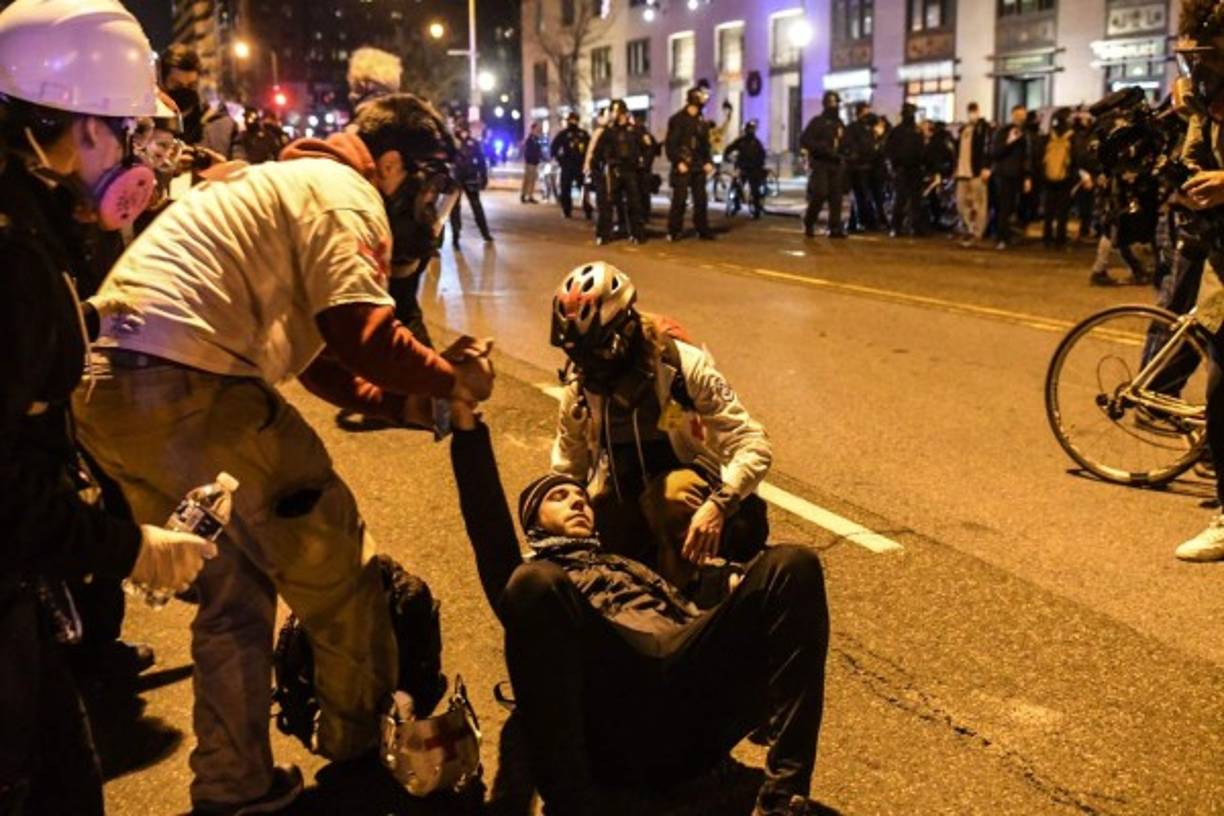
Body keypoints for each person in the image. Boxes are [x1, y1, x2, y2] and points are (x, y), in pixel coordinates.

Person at [72, 93, 496, 814]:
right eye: (421, 180)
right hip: (187, 379)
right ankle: (363, 753)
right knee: (335, 562)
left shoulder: (283, 184)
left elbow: (323, 363)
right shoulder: (345, 193)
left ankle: (233, 789)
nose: (424, 199)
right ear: (390, 163)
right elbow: (362, 331)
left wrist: (405, 403)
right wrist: (454, 377)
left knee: (231, 593)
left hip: (110, 391)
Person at [0, 2, 217, 813]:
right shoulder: (15, 257)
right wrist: (128, 548)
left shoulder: (32, 227)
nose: (144, 158)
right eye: (131, 133)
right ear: (83, 127)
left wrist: (89, 319)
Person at [448, 400, 830, 816]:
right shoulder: (539, 583)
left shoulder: (627, 564)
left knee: (794, 565)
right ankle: (573, 806)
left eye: (580, 496)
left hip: (689, 703)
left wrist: (737, 598)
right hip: (620, 709)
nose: (577, 502)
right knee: (532, 584)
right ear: (534, 524)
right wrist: (466, 421)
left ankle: (782, 802)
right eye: (559, 497)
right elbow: (486, 522)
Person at [549, 262, 772, 593]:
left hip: (697, 495)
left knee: (667, 496)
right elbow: (569, 467)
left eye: (596, 353)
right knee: (598, 530)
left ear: (624, 330)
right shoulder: (581, 386)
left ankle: (686, 599)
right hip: (630, 493)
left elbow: (752, 442)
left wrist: (720, 504)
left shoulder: (682, 366)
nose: (588, 368)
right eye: (579, 356)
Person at [1166, 1, 1224, 560]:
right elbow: (1192, 160)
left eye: (1206, 55)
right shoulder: (1204, 101)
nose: (1198, 66)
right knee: (1220, 387)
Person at [161, 44, 242, 163]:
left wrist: (222, 168)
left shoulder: (222, 127)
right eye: (177, 86)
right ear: (163, 82)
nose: (185, 91)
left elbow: (242, 173)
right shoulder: (148, 129)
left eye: (191, 86)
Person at [592, 99, 648, 246]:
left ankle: (637, 233)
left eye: (618, 112)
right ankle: (603, 234)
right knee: (607, 203)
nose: (616, 115)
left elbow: (648, 147)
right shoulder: (608, 132)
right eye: (613, 112)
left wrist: (643, 164)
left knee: (634, 203)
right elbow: (597, 154)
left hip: (630, 170)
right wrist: (597, 170)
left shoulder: (635, 131)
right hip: (613, 170)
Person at [664, 87, 715, 241]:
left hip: (698, 165)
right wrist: (678, 161)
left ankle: (702, 228)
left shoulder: (702, 121)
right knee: (680, 199)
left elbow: (705, 145)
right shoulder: (677, 120)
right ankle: (674, 230)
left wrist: (708, 162)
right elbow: (670, 145)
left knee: (701, 199)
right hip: (683, 164)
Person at [800, 90, 848, 239]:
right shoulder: (817, 122)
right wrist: (822, 148)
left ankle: (835, 227)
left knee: (836, 197)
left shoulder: (839, 123)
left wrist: (846, 152)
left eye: (836, 103)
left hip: (835, 163)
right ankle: (809, 221)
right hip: (820, 163)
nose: (835, 106)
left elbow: (844, 142)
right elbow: (805, 140)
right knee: (820, 193)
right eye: (832, 103)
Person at [990, 104, 1034, 250]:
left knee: (1011, 207)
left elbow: (1027, 156)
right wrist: (1009, 142)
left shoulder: (1025, 133)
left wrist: (1027, 176)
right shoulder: (1002, 131)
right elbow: (995, 152)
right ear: (1012, 114)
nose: (1021, 118)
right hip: (1003, 174)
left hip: (1017, 175)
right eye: (1019, 115)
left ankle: (1006, 236)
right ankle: (1001, 237)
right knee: (1003, 207)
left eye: (1023, 115)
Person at [885, 103, 928, 237]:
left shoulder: (916, 131)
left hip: (914, 169)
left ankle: (914, 227)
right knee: (901, 199)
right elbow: (889, 150)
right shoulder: (898, 131)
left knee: (914, 200)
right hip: (902, 169)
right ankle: (897, 227)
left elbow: (922, 150)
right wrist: (894, 165)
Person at [450, 120, 494, 248]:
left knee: (476, 206)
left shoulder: (473, 143)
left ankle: (485, 233)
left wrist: (483, 176)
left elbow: (481, 160)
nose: (462, 131)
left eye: (464, 128)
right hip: (457, 177)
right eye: (460, 128)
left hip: (470, 177)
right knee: (454, 209)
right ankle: (455, 236)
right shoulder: (452, 143)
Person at [954, 102, 991, 245]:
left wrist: (986, 167)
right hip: (962, 173)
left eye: (974, 110)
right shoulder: (964, 129)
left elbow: (987, 148)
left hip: (976, 172)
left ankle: (977, 232)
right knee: (961, 203)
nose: (972, 113)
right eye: (970, 111)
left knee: (979, 204)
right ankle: (970, 227)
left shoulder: (984, 129)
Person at [1039, 108, 1077, 248]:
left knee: (1049, 210)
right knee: (1063, 211)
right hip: (1065, 178)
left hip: (1049, 177)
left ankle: (1046, 238)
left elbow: (1041, 156)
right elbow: (1075, 157)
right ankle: (1060, 240)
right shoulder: (1071, 135)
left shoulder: (1049, 134)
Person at [845, 102, 880, 231]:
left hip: (867, 167)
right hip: (857, 168)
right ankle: (858, 222)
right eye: (866, 112)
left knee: (864, 196)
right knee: (860, 195)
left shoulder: (868, 129)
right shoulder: (854, 128)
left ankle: (865, 221)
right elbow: (855, 147)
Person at [550, 111, 591, 219]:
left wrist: (588, 162)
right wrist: (560, 160)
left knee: (584, 188)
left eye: (574, 120)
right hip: (567, 166)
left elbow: (589, 149)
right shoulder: (563, 134)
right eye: (571, 120)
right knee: (565, 189)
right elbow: (554, 148)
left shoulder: (583, 134)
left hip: (580, 166)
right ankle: (567, 209)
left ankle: (587, 208)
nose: (573, 122)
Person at [724, 119, 768, 218]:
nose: (750, 131)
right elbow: (729, 148)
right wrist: (726, 156)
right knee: (736, 185)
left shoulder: (755, 142)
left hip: (751, 168)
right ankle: (737, 205)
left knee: (753, 188)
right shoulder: (744, 141)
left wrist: (760, 165)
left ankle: (755, 209)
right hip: (744, 167)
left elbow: (762, 155)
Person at [634, 112, 660, 221]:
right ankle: (644, 214)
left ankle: (642, 214)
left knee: (641, 192)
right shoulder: (646, 134)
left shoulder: (639, 133)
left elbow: (653, 149)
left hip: (640, 168)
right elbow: (656, 150)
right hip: (644, 167)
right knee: (644, 192)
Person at [521, 121, 543, 204]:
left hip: (535, 162)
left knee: (533, 179)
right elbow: (527, 151)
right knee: (527, 179)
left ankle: (530, 195)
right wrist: (529, 159)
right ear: (533, 129)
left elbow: (538, 150)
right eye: (537, 128)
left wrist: (541, 158)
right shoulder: (529, 139)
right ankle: (524, 195)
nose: (538, 130)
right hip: (530, 162)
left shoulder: (537, 139)